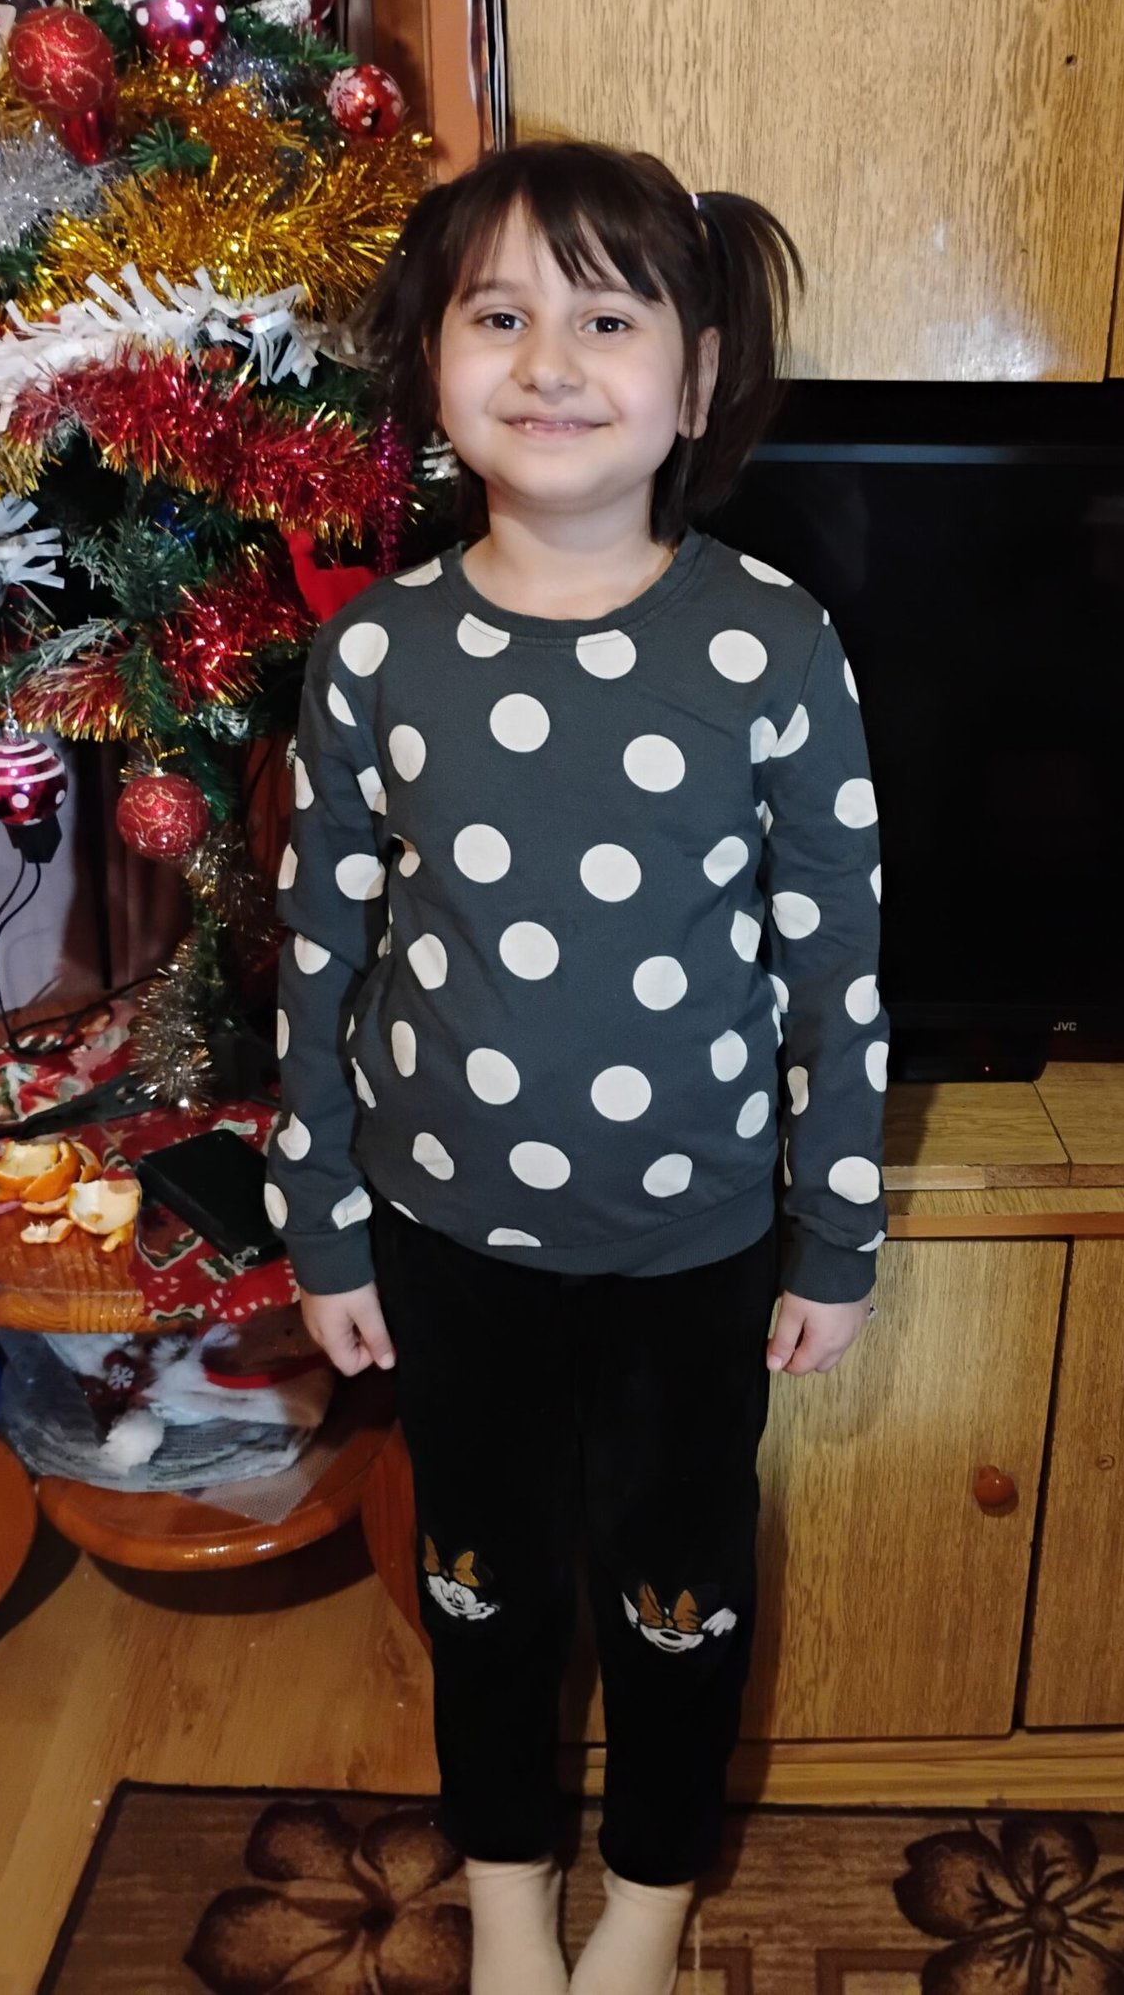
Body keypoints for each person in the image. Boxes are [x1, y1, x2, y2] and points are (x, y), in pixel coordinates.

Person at [270, 138, 888, 1995]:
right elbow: (320, 957)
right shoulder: (374, 655)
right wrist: (325, 1223)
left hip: (696, 1248)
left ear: (695, 383)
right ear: (432, 363)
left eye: (608, 322)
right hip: (444, 1238)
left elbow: (838, 963)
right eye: (500, 316)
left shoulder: (773, 646)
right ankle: (505, 1879)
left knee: (676, 1593)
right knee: (481, 1584)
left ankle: (655, 1889)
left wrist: (837, 1234)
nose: (548, 361)